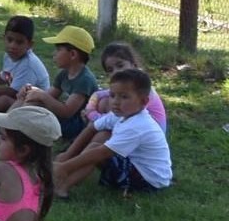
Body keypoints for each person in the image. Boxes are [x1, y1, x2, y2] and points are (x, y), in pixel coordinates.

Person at [52, 68, 171, 197]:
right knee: (96, 148)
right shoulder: (120, 114)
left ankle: (62, 185)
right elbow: (92, 128)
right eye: (112, 95)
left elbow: (104, 152)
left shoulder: (138, 125)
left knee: (97, 151)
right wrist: (68, 154)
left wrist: (65, 166)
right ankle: (64, 176)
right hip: (136, 166)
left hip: (149, 180)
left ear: (143, 102)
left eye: (124, 97)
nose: (116, 102)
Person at [9, 25, 98, 142]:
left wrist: (41, 95)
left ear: (73, 54)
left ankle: (13, 130)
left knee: (35, 108)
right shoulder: (64, 74)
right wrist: (32, 91)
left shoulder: (85, 80)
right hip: (64, 119)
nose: (54, 54)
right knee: (29, 99)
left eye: (58, 50)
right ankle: (8, 124)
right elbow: (49, 95)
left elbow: (67, 112)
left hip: (77, 124)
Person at [86, 41, 167, 133]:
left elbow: (120, 118)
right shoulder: (123, 87)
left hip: (147, 135)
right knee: (103, 101)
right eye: (110, 70)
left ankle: (92, 138)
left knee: (108, 104)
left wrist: (93, 116)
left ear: (134, 65)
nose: (116, 72)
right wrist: (90, 108)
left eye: (120, 65)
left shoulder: (142, 87)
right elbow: (97, 94)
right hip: (132, 127)